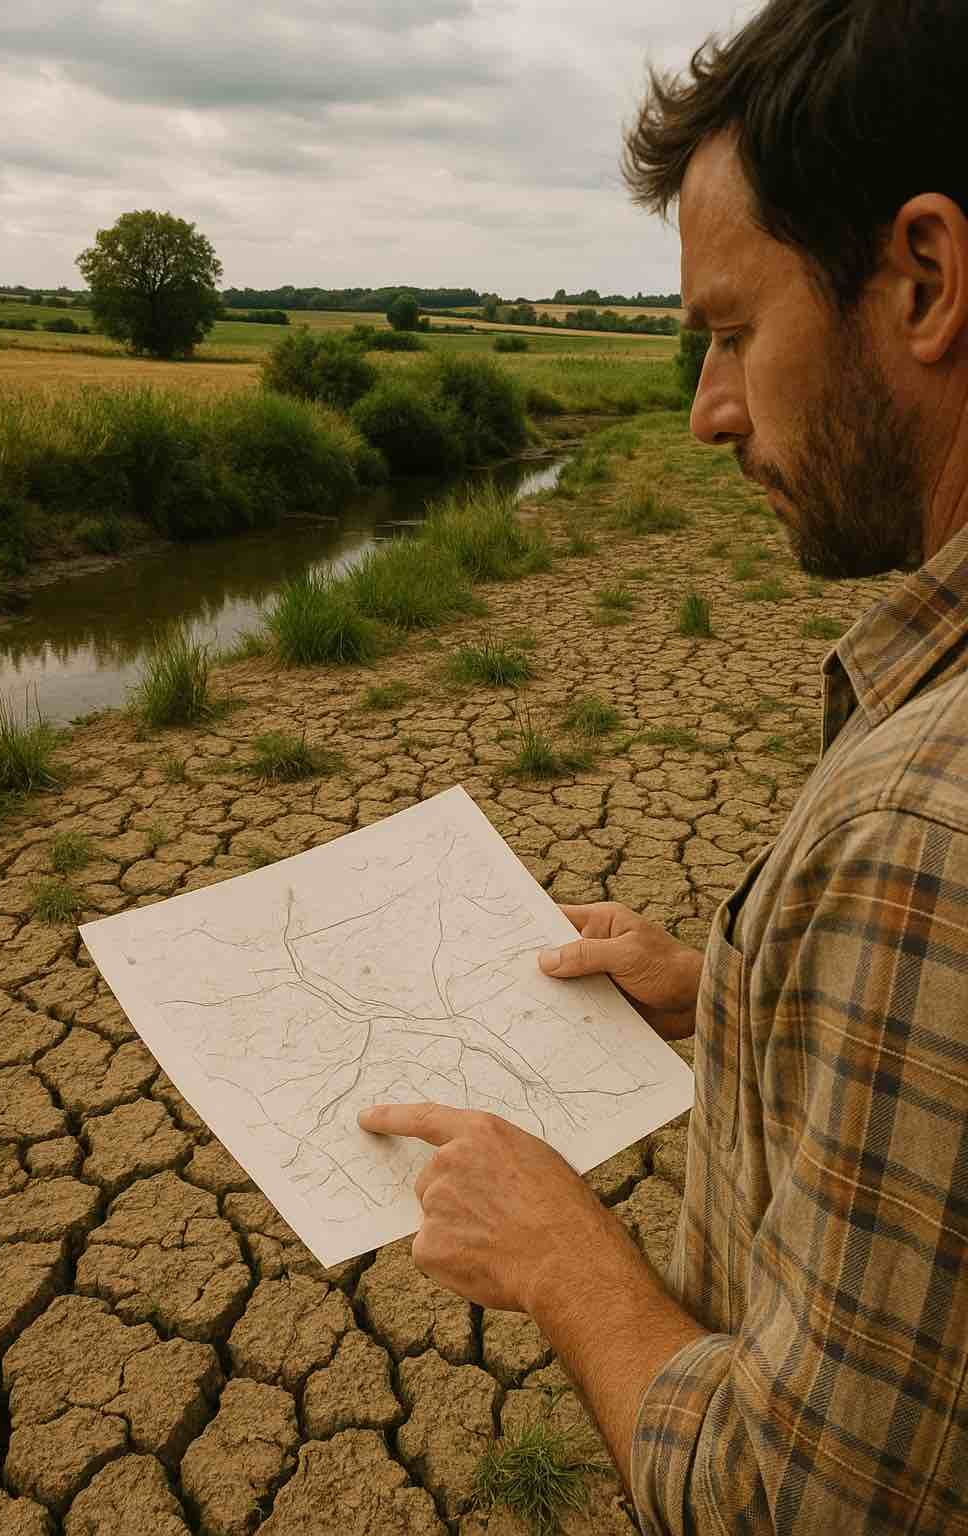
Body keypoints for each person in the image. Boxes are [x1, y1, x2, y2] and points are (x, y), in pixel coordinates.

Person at [360, 0, 968, 1528]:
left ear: (924, 280)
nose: (706, 411)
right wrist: (735, 991)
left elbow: (798, 1506)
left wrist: (562, 1257)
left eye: (734, 331)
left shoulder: (925, 830)